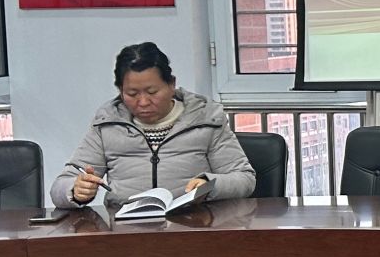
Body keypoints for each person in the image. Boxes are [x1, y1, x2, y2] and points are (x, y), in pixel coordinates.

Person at [53, 42, 255, 209]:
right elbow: (60, 187)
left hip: (193, 225)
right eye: (132, 94)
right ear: (120, 90)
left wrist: (209, 185)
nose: (143, 102)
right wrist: (76, 190)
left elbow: (244, 179)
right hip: (125, 231)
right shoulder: (107, 123)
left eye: (152, 92)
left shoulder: (205, 119)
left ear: (171, 84)